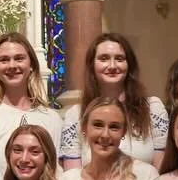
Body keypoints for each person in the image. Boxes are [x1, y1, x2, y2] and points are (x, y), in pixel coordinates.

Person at [60, 32, 168, 169]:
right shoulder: (75, 115)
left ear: (129, 65)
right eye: (104, 59)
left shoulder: (152, 109)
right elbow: (72, 178)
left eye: (119, 59)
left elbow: (161, 171)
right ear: (92, 66)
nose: (112, 66)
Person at [0, 32, 61, 170]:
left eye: (19, 58)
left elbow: (54, 170)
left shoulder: (51, 118)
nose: (12, 65)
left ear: (31, 64)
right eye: (4, 60)